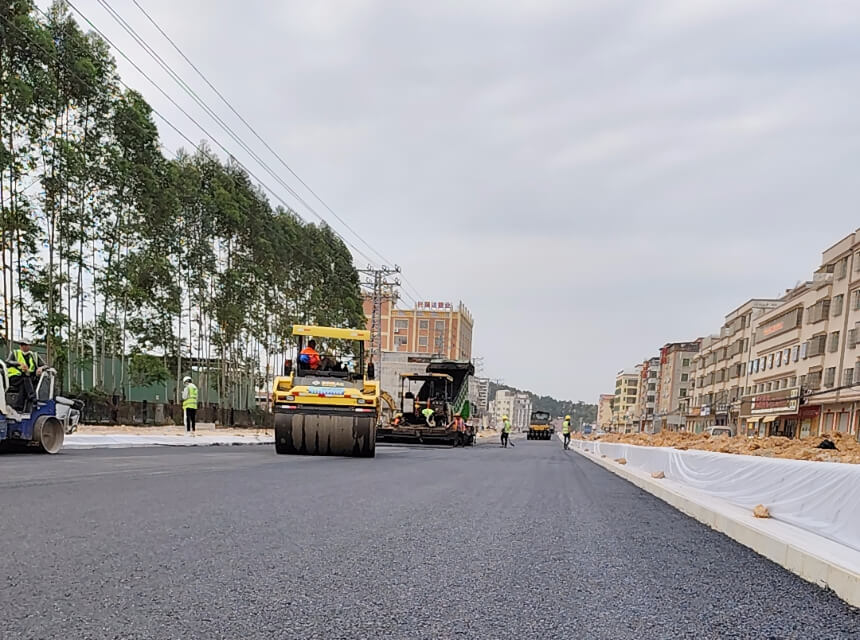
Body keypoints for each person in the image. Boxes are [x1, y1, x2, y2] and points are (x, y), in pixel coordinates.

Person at [5, 339, 45, 411]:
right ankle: (32, 397)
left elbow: (45, 365)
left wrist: (41, 368)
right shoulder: (15, 353)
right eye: (22, 345)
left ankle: (19, 406)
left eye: (25, 345)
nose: (23, 346)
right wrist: (18, 363)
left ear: (28, 346)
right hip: (15, 378)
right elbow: (7, 362)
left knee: (23, 385)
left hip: (29, 379)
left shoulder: (34, 355)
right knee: (25, 379)